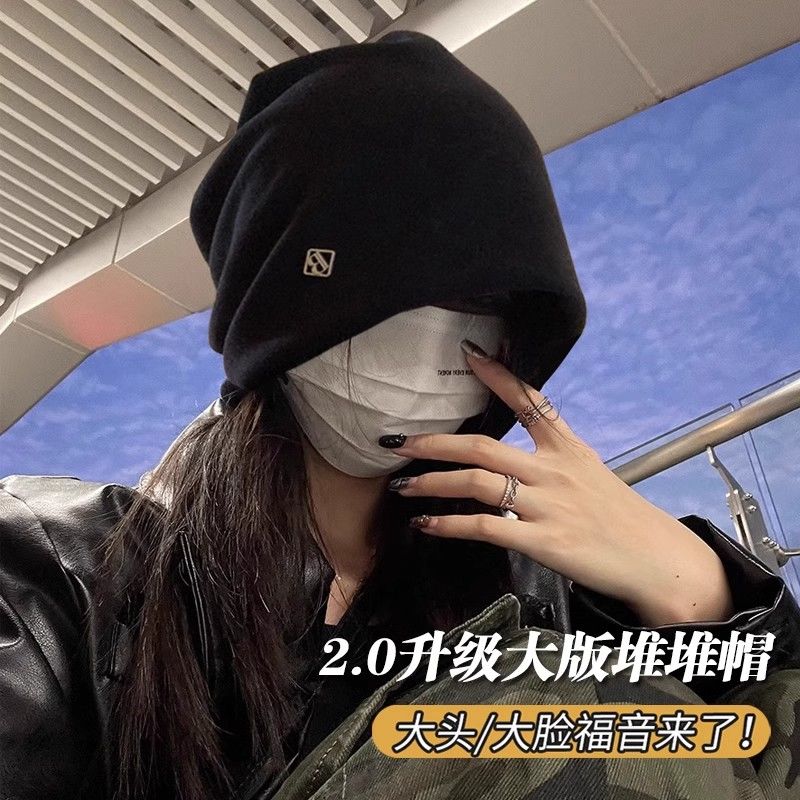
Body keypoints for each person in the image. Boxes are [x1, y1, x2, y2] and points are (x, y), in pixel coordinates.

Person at [0, 29, 798, 800]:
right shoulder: (54, 583)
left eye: (488, 300)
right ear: (276, 306)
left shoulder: (539, 584)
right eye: (393, 287)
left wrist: (708, 594)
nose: (445, 338)